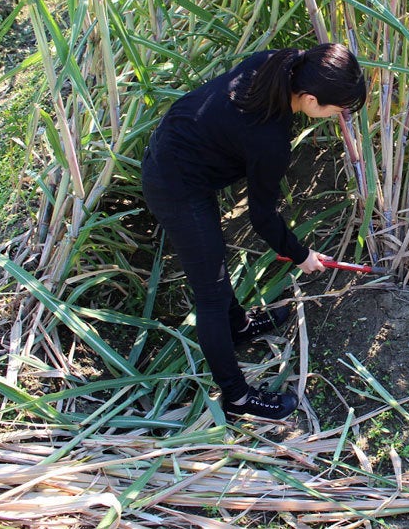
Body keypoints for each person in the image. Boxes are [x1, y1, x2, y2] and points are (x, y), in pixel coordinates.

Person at [141, 43, 367, 420]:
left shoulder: (278, 62)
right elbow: (262, 217)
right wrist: (301, 255)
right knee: (210, 295)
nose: (338, 115)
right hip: (174, 184)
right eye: (337, 109)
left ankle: (240, 327)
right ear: (311, 99)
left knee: (213, 261)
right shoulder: (269, 138)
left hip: (178, 150)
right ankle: (237, 398)